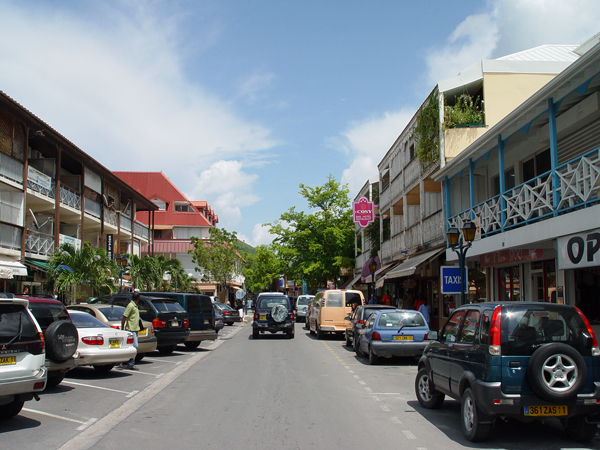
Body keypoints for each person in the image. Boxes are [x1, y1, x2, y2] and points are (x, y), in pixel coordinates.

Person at [120, 292, 141, 370]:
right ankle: (130, 363)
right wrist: (122, 329)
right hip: (130, 329)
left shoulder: (135, 306)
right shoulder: (131, 306)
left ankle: (125, 362)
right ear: (138, 298)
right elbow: (124, 317)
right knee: (134, 346)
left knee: (132, 347)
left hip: (135, 329)